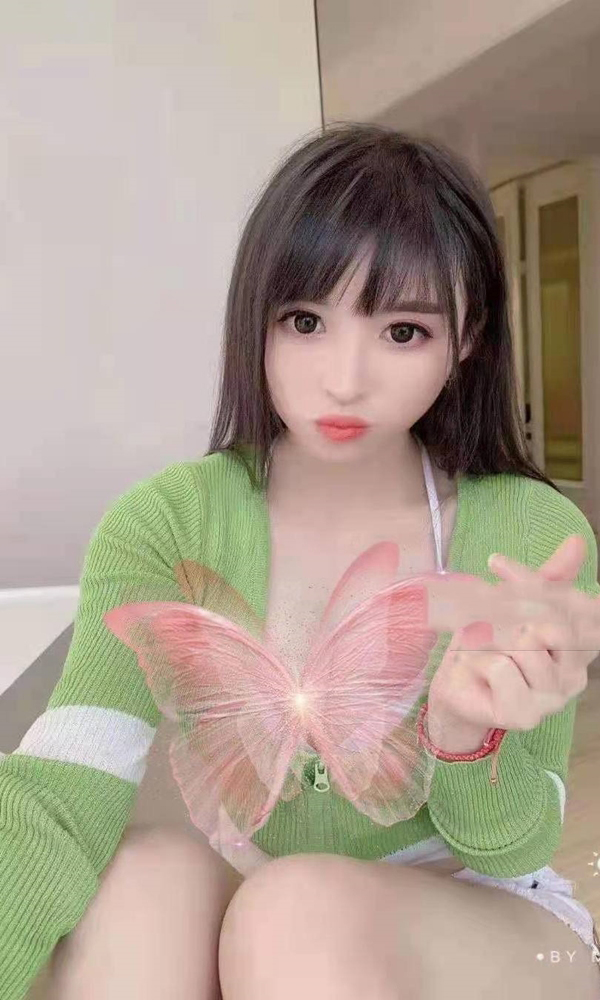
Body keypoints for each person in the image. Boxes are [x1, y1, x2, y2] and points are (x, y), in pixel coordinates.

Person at [2, 123, 600, 1000]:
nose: (345, 379)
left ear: (468, 337)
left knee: (294, 911)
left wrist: (466, 738)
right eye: (306, 321)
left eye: (403, 332)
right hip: (281, 923)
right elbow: (66, 783)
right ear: (258, 319)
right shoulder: (169, 523)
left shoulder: (528, 532)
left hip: (491, 922)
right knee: (141, 881)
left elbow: (513, 845)